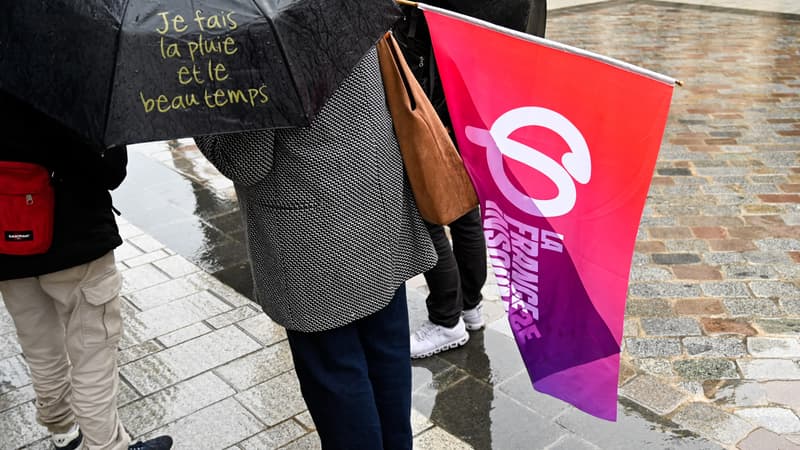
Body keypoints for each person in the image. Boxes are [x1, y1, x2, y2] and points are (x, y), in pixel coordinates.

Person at [193, 44, 437, 449]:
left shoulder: (248, 32)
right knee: (386, 356)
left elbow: (247, 162)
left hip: (312, 238)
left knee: (337, 376)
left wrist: (198, 115)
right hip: (376, 202)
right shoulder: (332, 14)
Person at [0, 92, 173, 450]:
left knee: (38, 346)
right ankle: (108, 446)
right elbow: (110, 170)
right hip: (76, 242)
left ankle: (62, 431)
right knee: (92, 353)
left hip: (7, 244)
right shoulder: (71, 69)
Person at [394, 0, 547, 359]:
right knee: (463, 206)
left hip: (439, 92)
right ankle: (470, 306)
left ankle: (447, 318)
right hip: (474, 94)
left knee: (425, 208)